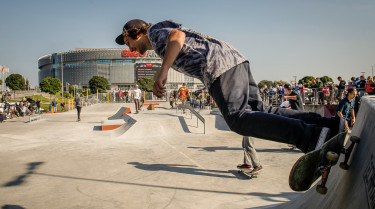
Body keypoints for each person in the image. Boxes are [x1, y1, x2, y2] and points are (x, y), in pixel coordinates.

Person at [115, 19, 345, 154]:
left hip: (217, 67)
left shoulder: (154, 33)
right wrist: (161, 71)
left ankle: (313, 138)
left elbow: (177, 35)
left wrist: (163, 71)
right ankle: (330, 126)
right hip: (234, 59)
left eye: (128, 43)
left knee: (238, 118)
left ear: (135, 34)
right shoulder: (157, 39)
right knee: (260, 110)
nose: (131, 48)